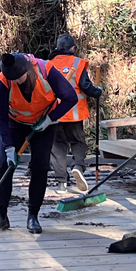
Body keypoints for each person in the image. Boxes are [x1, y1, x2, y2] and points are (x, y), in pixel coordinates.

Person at [0, 52, 78, 235]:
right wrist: (9, 146)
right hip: (15, 123)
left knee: (40, 166)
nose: (16, 82)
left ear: (27, 69)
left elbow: (70, 98)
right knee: (5, 165)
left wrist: (51, 119)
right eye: (12, 79)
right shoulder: (4, 79)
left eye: (19, 78)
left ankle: (33, 216)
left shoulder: (47, 70)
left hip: (44, 123)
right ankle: (0, 216)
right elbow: (0, 115)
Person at [47, 34, 102, 192]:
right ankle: (78, 166)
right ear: (72, 48)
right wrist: (97, 92)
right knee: (78, 142)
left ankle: (61, 183)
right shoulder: (77, 63)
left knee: (57, 146)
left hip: (55, 112)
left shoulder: (48, 64)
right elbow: (85, 86)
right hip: (74, 112)